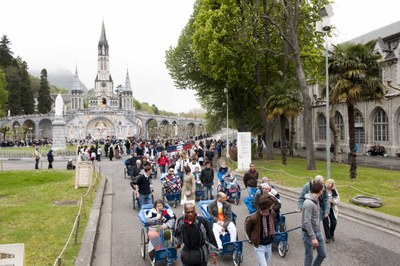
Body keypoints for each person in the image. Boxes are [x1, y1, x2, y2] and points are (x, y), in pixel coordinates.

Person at [245, 194, 276, 266]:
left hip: (269, 244)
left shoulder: (272, 213)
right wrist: (253, 239)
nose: (273, 206)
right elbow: (248, 229)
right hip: (259, 246)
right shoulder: (254, 218)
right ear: (266, 206)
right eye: (272, 205)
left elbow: (274, 224)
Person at [301, 181, 327, 266]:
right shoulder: (309, 203)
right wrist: (313, 238)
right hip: (308, 234)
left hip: (317, 231)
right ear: (320, 191)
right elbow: (306, 222)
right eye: (323, 189)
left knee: (322, 254)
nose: (324, 190)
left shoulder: (316, 200)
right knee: (309, 257)